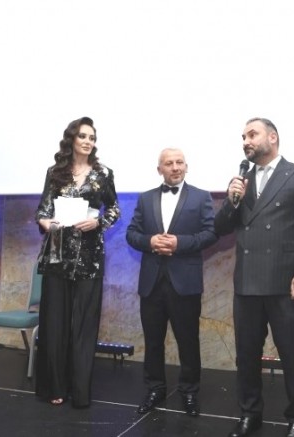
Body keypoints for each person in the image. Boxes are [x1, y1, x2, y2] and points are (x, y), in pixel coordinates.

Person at [214, 118, 294, 437]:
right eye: (243, 137)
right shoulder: (242, 181)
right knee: (246, 355)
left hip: (286, 283)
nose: (246, 141)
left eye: (252, 134)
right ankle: (250, 413)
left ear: (272, 137)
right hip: (247, 283)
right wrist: (231, 201)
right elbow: (221, 228)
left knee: (293, 355)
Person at [34, 116, 120, 408]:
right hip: (57, 256)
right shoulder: (55, 172)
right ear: (72, 139)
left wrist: (98, 222)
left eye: (92, 137)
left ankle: (80, 392)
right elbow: (42, 210)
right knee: (55, 325)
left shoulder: (103, 173)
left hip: (89, 258)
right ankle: (55, 387)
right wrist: (46, 223)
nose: (88, 141)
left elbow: (114, 209)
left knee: (83, 327)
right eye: (83, 136)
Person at [126, 148, 217, 417]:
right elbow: (131, 234)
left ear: (186, 166)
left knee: (188, 341)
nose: (175, 167)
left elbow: (211, 234)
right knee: (153, 341)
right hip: (151, 283)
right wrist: (150, 242)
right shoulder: (145, 198)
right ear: (160, 170)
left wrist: (179, 243)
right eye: (169, 163)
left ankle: (189, 392)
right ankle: (155, 389)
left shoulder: (201, 197)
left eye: (179, 162)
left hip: (185, 283)